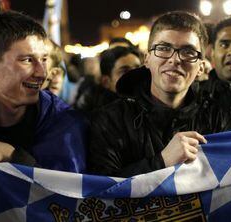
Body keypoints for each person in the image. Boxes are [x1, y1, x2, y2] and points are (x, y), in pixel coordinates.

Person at [0, 11, 87, 173]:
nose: (42, 73)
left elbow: (69, 192)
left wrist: (11, 155)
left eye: (44, 59)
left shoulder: (65, 123)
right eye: (27, 60)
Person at [88, 11, 208, 177]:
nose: (175, 59)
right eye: (164, 48)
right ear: (147, 59)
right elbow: (102, 190)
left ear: (201, 67)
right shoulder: (110, 120)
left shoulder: (216, 115)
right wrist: (162, 161)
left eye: (188, 51)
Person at [74, 46, 142, 114]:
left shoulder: (147, 102)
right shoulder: (94, 112)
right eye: (124, 71)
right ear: (106, 82)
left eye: (138, 68)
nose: (135, 74)